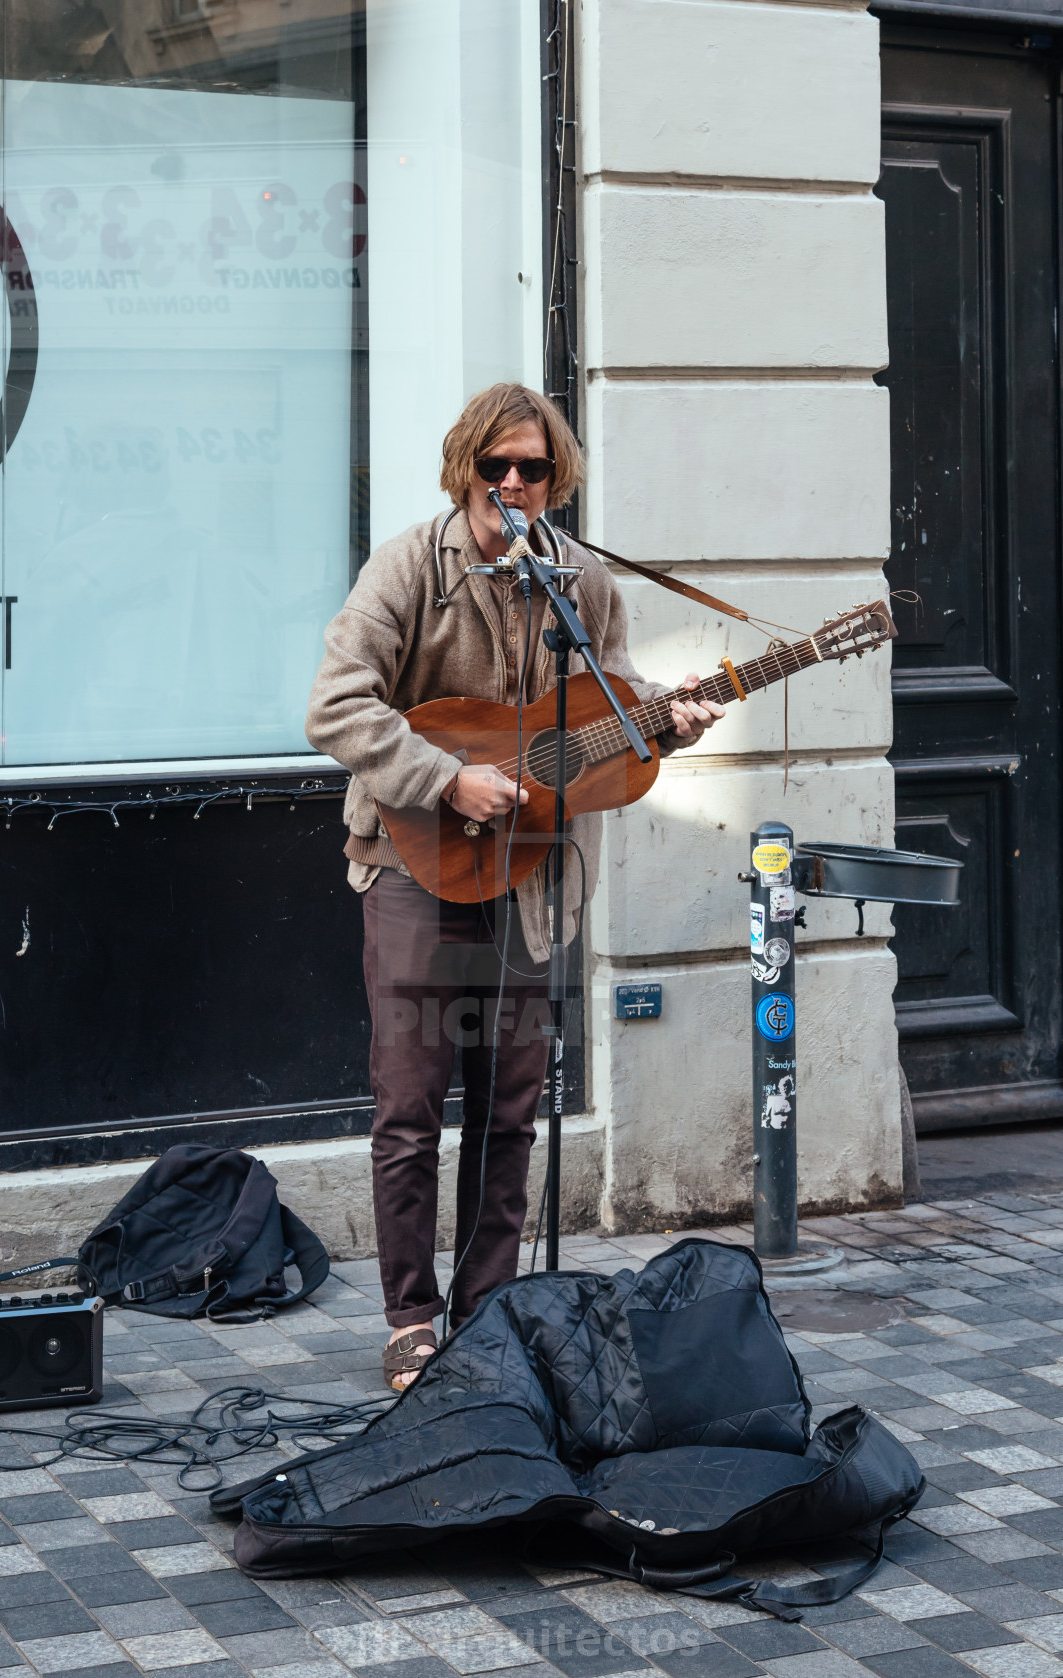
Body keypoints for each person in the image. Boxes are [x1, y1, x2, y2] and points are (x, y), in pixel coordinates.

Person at [305, 383, 725, 1389]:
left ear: (554, 477)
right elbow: (333, 706)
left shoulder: (579, 585)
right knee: (410, 1104)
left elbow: (608, 732)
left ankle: (485, 1309)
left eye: (530, 467)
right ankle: (411, 1317)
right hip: (414, 868)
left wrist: (664, 725)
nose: (510, 482)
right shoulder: (411, 566)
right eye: (493, 464)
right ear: (465, 468)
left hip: (529, 884)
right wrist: (446, 777)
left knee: (508, 1109)